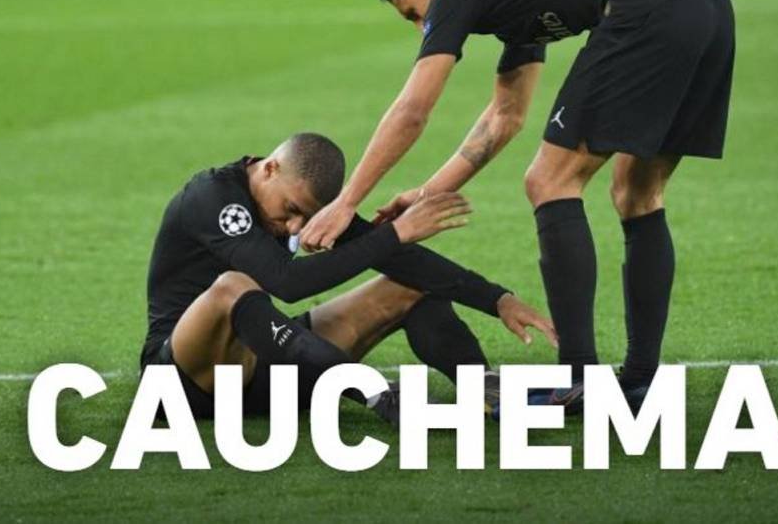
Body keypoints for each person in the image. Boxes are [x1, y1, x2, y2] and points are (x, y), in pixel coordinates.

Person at [298, 0, 735, 413]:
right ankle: (639, 381)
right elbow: (506, 117)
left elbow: (413, 110)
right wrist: (426, 194)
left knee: (549, 181)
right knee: (637, 194)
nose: (422, 26)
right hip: (708, 3)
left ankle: (579, 377)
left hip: (647, 5)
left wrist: (347, 201)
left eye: (414, 14)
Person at [140, 132, 556, 424]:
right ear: (269, 169)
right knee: (233, 287)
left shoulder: (292, 204)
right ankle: (377, 393)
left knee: (407, 286)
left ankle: (483, 388)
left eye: (307, 216)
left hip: (265, 370)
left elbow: (396, 257)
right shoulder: (213, 198)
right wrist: (394, 234)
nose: (295, 227)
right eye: (291, 209)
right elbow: (286, 282)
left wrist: (496, 299)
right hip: (183, 383)